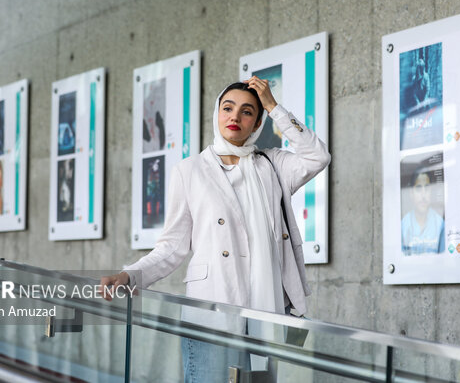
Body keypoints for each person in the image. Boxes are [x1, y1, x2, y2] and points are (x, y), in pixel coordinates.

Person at [101, 76, 330, 381]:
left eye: (247, 111)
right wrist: (131, 275)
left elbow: (318, 156)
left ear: (257, 121)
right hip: (211, 313)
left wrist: (275, 106)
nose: (235, 116)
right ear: (217, 113)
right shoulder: (190, 170)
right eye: (228, 108)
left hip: (266, 313)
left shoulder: (273, 165)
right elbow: (172, 247)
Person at [401, 170, 445, 255]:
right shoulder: (404, 225)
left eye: (427, 188)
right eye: (418, 188)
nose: (423, 195)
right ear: (411, 193)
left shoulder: (440, 224)